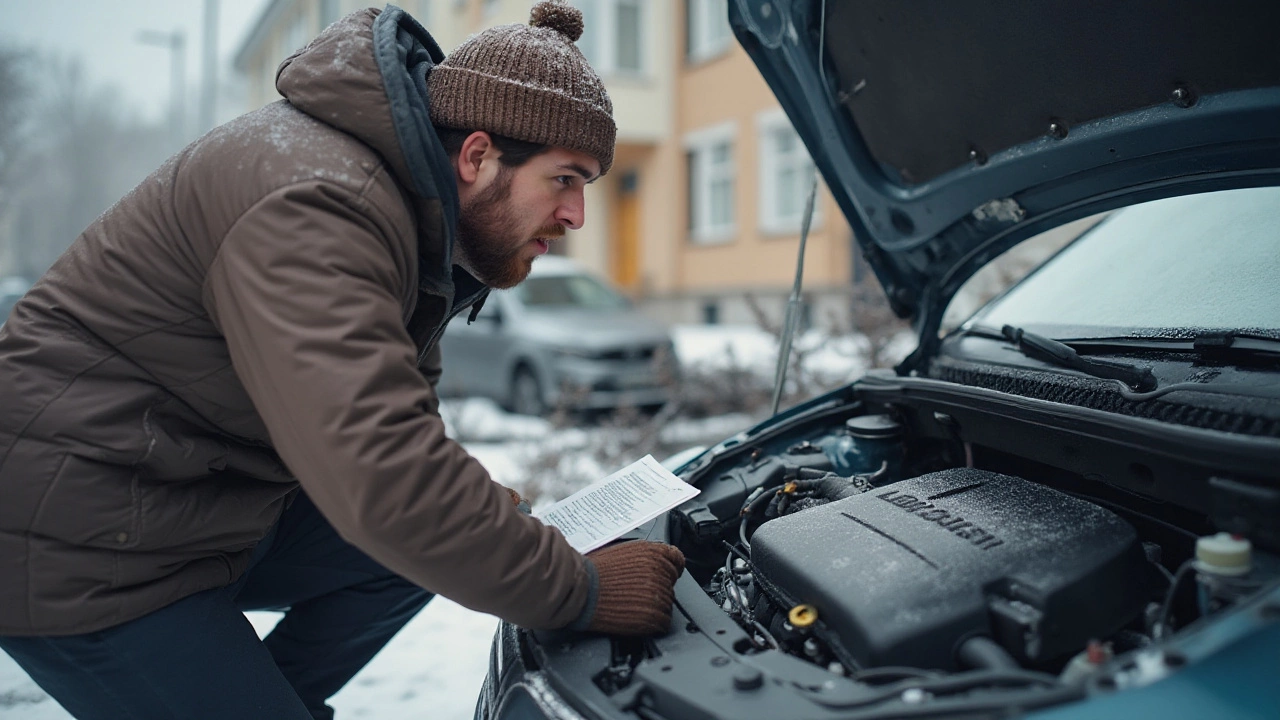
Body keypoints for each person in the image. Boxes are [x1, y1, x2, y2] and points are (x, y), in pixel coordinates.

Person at [0, 3, 685, 718]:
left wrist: (488, 524)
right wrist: (580, 589)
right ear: (478, 156)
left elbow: (398, 436)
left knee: (411, 554)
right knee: (414, 528)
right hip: (79, 535)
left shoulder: (412, 218)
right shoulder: (318, 201)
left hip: (185, 495)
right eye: (566, 179)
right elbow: (383, 474)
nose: (576, 216)